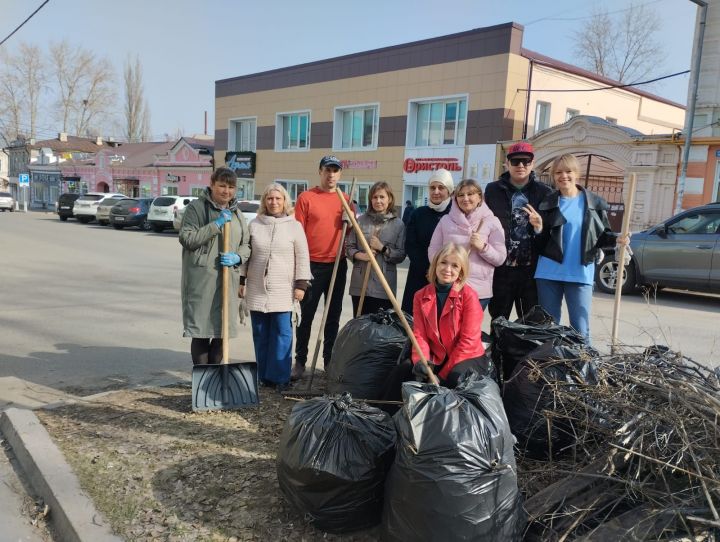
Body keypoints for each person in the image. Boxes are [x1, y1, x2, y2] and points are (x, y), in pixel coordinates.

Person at [535, 153, 628, 342]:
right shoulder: (547, 203)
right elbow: (540, 240)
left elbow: (602, 235)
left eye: (568, 171)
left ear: (576, 173)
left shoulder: (593, 203)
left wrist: (618, 239)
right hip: (548, 273)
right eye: (558, 172)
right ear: (553, 176)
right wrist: (538, 228)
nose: (564, 176)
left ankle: (583, 370)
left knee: (580, 330)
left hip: (580, 272)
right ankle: (550, 370)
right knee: (548, 329)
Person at [381, 243, 488, 402]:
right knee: (403, 369)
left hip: (465, 356)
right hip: (436, 355)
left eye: (454, 265)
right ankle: (383, 415)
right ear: (435, 264)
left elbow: (468, 342)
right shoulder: (420, 295)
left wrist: (440, 376)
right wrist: (422, 363)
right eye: (443, 262)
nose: (447, 269)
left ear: (461, 271)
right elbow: (420, 335)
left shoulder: (469, 296)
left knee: (454, 379)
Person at [239, 183, 311, 391]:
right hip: (257, 287)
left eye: (278, 199)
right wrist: (241, 281)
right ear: (264, 201)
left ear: (285, 201)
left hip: (283, 288)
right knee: (260, 333)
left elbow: (303, 256)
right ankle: (264, 376)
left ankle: (280, 378)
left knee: (282, 333)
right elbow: (246, 254)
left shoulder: (294, 226)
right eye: (270, 199)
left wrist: (301, 284)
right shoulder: (255, 225)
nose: (274, 202)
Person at [179, 167, 251, 365]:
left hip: (228, 280)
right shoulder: (197, 208)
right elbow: (187, 238)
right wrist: (216, 224)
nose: (226, 191)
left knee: (222, 333)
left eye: (230, 187)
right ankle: (203, 379)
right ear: (212, 185)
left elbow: (247, 245)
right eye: (221, 185)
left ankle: (215, 378)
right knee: (202, 331)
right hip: (203, 280)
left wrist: (238, 257)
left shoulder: (237, 213)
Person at [291, 155, 351, 380]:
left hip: (338, 264)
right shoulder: (307, 198)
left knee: (333, 316)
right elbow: (297, 235)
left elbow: (352, 236)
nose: (331, 174)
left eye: (335, 170)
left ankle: (328, 362)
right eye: (327, 169)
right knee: (305, 315)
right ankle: (300, 361)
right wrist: (300, 269)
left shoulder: (346, 199)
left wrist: (351, 220)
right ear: (320, 171)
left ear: (340, 174)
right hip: (312, 266)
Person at [484, 141, 551, 321]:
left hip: (531, 271)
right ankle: (499, 350)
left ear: (532, 163)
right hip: (502, 270)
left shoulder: (544, 192)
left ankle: (526, 351)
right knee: (498, 319)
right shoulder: (493, 190)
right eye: (515, 161)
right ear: (507, 163)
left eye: (525, 161)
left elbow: (552, 233)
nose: (520, 165)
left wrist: (539, 227)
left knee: (530, 322)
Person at [428, 178, 506, 309]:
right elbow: (434, 249)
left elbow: (500, 258)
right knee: (447, 327)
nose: (465, 198)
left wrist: (483, 247)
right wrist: (443, 270)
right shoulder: (445, 221)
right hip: (449, 286)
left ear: (480, 197)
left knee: (470, 329)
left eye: (470, 194)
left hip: (478, 291)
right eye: (461, 195)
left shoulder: (491, 221)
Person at [346, 182, 406, 316]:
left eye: (382, 197)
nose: (378, 201)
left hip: (384, 286)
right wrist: (363, 256)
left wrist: (382, 248)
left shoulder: (398, 224)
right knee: (360, 326)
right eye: (374, 197)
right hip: (361, 285)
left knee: (380, 330)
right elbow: (349, 247)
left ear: (389, 199)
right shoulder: (360, 221)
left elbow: (401, 255)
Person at [400, 168, 454, 314]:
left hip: (446, 277)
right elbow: (411, 245)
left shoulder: (456, 215)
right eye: (432, 187)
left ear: (449, 190)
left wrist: (439, 271)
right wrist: (428, 269)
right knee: (414, 319)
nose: (436, 191)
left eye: (441, 187)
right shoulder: (418, 214)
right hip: (419, 274)